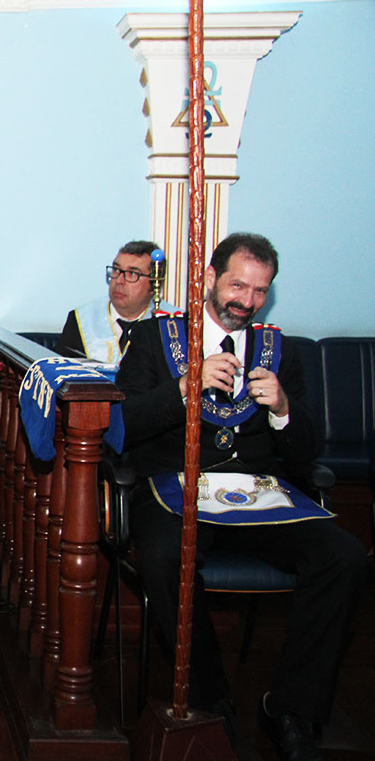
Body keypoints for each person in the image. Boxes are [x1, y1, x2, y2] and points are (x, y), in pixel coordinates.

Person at [116, 232, 369, 761]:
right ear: (210, 278)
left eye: (259, 291)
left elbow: (307, 450)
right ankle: (211, 700)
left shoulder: (280, 350)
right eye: (237, 286)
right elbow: (124, 426)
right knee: (163, 557)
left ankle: (292, 710)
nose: (246, 301)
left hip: (258, 497)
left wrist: (283, 409)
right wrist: (183, 387)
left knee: (344, 556)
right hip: (175, 492)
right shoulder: (157, 338)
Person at [58, 239, 176, 363]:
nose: (119, 280)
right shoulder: (82, 320)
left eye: (132, 273)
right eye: (116, 270)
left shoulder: (174, 324)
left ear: (155, 284)